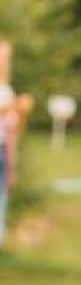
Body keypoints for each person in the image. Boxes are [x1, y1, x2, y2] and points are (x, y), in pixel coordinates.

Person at [0, 37, 33, 249]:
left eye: (5, 58)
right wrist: (13, 107)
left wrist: (22, 113)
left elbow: (12, 131)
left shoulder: (6, 90)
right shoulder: (7, 96)